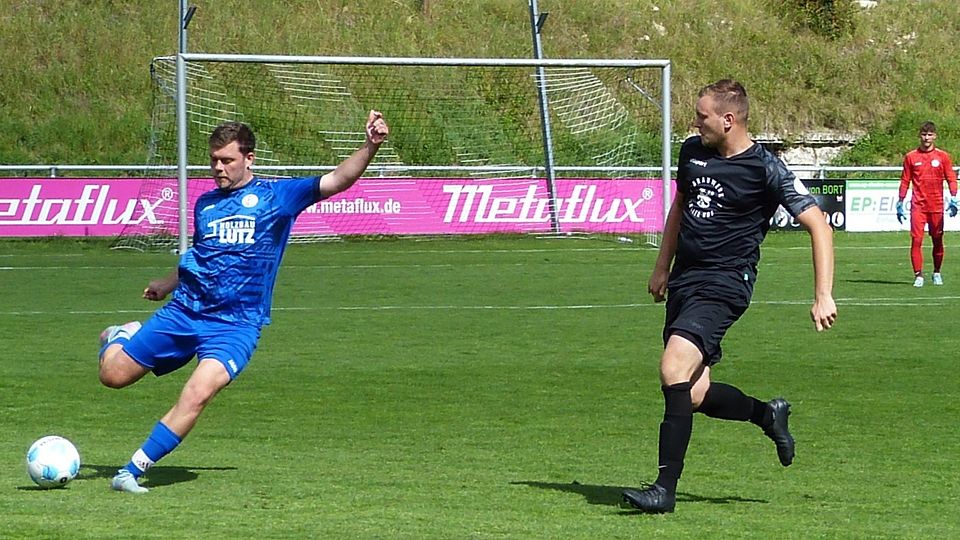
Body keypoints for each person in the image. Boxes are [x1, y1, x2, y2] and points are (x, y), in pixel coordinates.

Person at [98, 111, 389, 493]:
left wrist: (370, 146)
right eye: (214, 160)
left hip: (235, 326)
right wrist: (167, 284)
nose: (219, 168)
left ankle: (131, 471)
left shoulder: (278, 197)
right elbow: (201, 255)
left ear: (249, 159)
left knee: (199, 392)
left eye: (227, 160)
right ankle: (120, 335)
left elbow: (338, 179)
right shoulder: (205, 205)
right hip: (186, 310)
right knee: (112, 376)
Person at [621, 80, 837, 513]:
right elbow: (680, 208)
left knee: (672, 368)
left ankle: (664, 489)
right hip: (685, 280)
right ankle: (767, 414)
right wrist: (662, 266)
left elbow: (819, 225)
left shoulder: (766, 168)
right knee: (694, 393)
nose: (694, 122)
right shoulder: (692, 152)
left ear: (728, 119)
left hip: (724, 284)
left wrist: (823, 295)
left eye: (701, 116)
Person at [897, 121, 959, 287]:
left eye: (930, 134)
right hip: (918, 206)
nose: (926, 138)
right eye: (924, 134)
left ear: (935, 136)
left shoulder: (942, 157)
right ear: (920, 136)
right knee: (916, 240)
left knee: (937, 240)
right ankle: (918, 275)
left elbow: (951, 178)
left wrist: (954, 197)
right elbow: (905, 180)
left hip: (937, 206)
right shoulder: (911, 157)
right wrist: (900, 200)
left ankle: (937, 272)